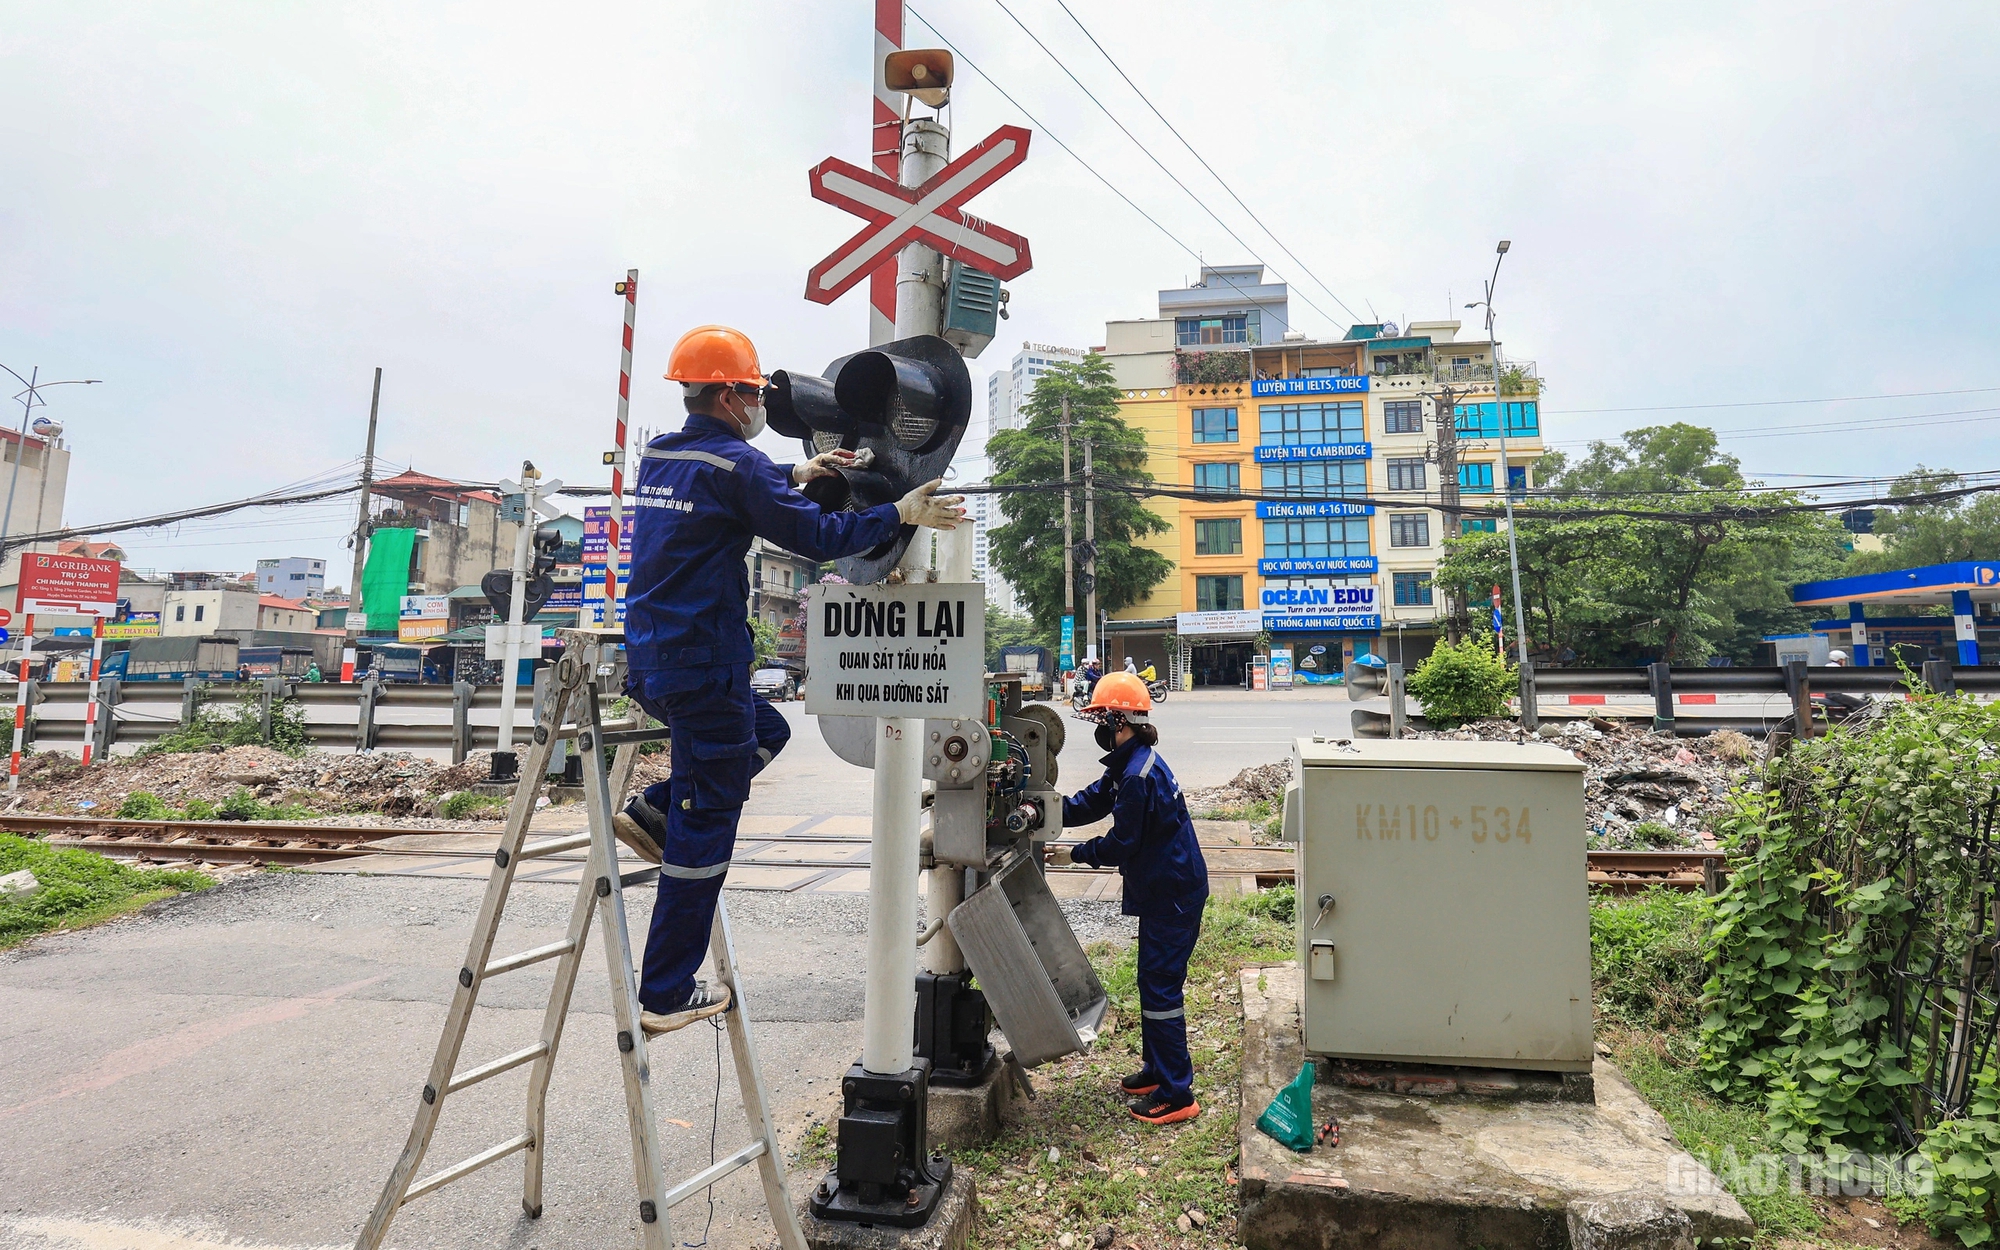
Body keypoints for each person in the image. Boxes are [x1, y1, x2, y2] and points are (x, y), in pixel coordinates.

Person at [613, 324, 966, 1037]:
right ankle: (665, 992)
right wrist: (898, 512)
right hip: (706, 665)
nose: (755, 406)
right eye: (750, 393)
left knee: (766, 729)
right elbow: (818, 537)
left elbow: (724, 488)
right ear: (727, 396)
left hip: (651, 659)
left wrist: (797, 475)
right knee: (706, 830)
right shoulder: (740, 468)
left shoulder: (662, 455)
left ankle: (655, 810)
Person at [1047, 672, 1207, 1124]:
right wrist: (1047, 810)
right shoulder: (1131, 763)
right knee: (1151, 984)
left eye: (1103, 719)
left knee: (1161, 991)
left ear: (1120, 722)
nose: (1099, 728)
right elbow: (1093, 800)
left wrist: (1074, 854)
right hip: (1165, 890)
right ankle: (1158, 1071)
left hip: (1172, 896)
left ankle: (1177, 1094)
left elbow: (1122, 843)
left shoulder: (1137, 775)